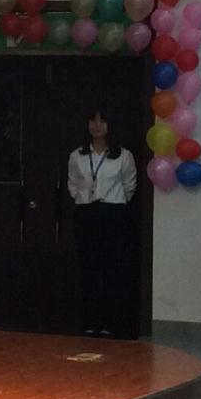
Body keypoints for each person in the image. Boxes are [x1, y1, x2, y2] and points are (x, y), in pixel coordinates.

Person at [66, 104, 138, 337]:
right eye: (93, 120)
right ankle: (90, 321)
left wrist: (113, 201)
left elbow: (129, 185)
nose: (97, 125)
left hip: (113, 214)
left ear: (110, 125)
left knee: (112, 269)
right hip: (86, 213)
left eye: (102, 121)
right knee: (88, 268)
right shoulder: (77, 155)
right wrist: (84, 198)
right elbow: (73, 184)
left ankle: (110, 322)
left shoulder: (123, 155)